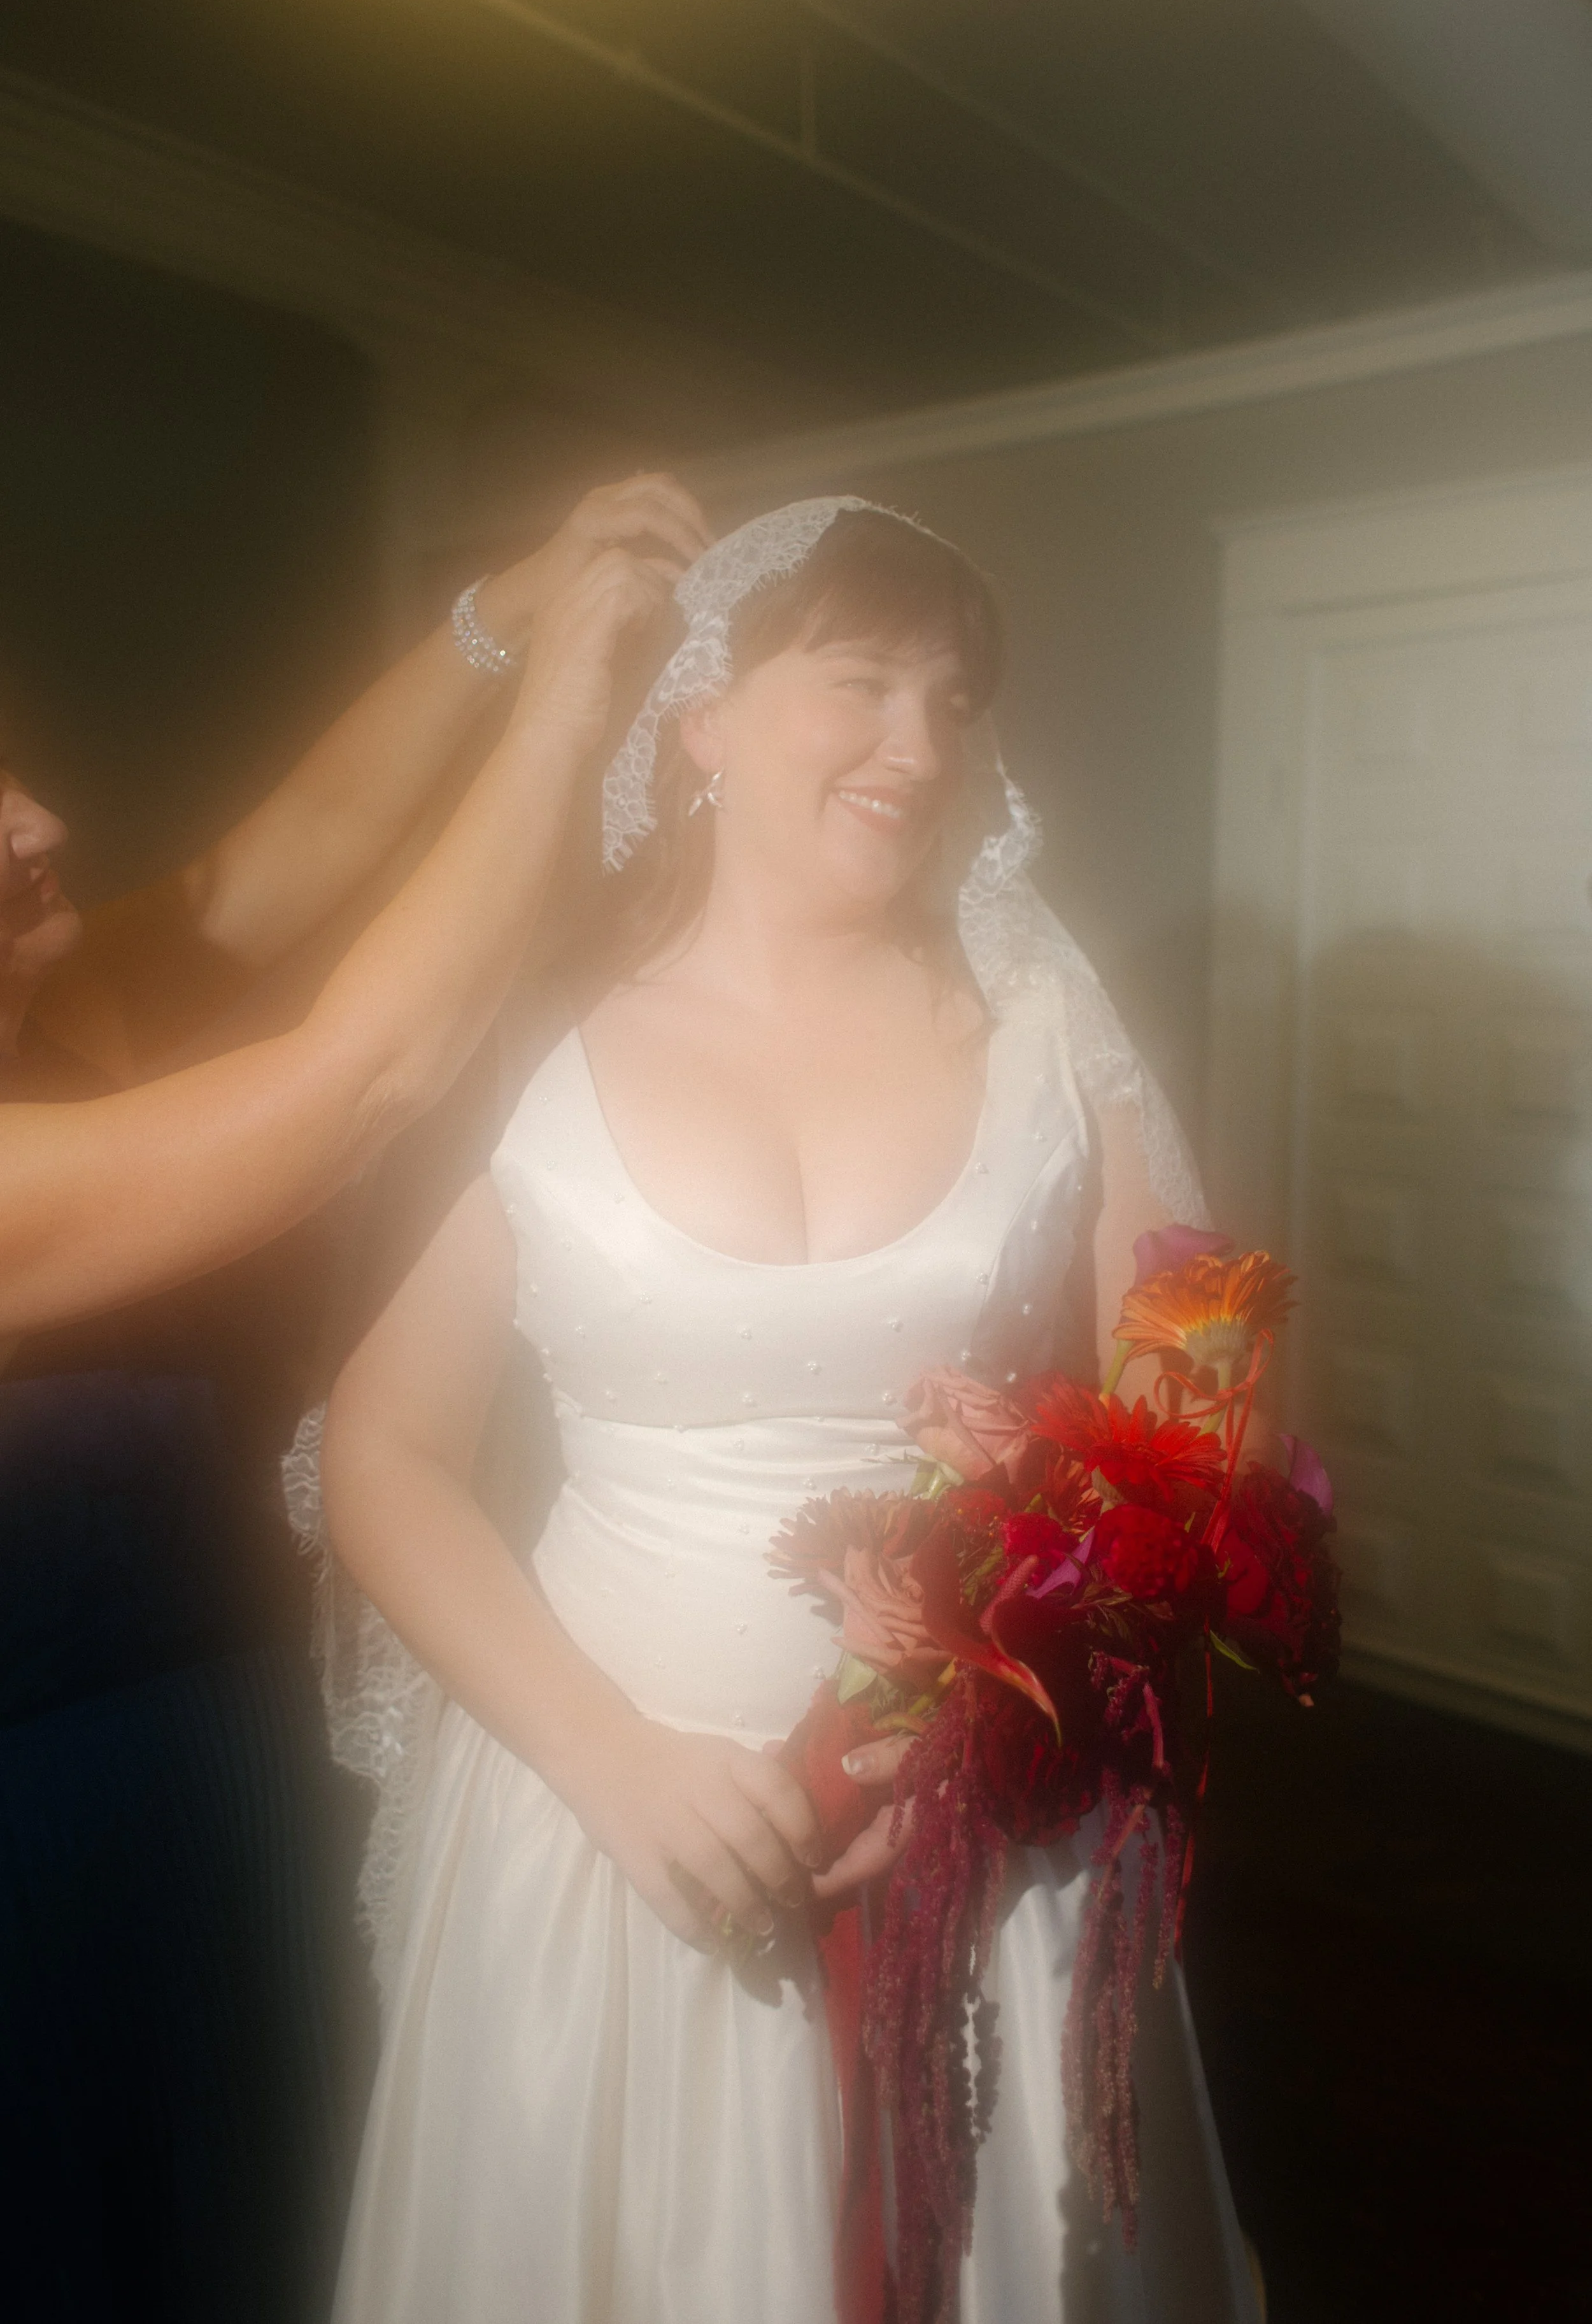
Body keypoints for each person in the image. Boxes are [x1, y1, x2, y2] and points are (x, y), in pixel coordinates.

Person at [320, 497, 1263, 2323]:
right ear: (701, 720)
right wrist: (609, 1756)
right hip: (606, 1823)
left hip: (973, 1821)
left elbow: (1193, 1412)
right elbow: (383, 1451)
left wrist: (1004, 1720)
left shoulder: (1050, 1024)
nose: (918, 743)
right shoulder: (532, 1039)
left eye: (953, 700)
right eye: (858, 683)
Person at [0, 473, 705, 2324]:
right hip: (41, 1840)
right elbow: (363, 1081)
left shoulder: (63, 1005)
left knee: (282, 2204)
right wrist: (569, 684)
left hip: (230, 1737)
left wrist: (507, 591)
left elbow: (286, 851)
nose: (42, 814)